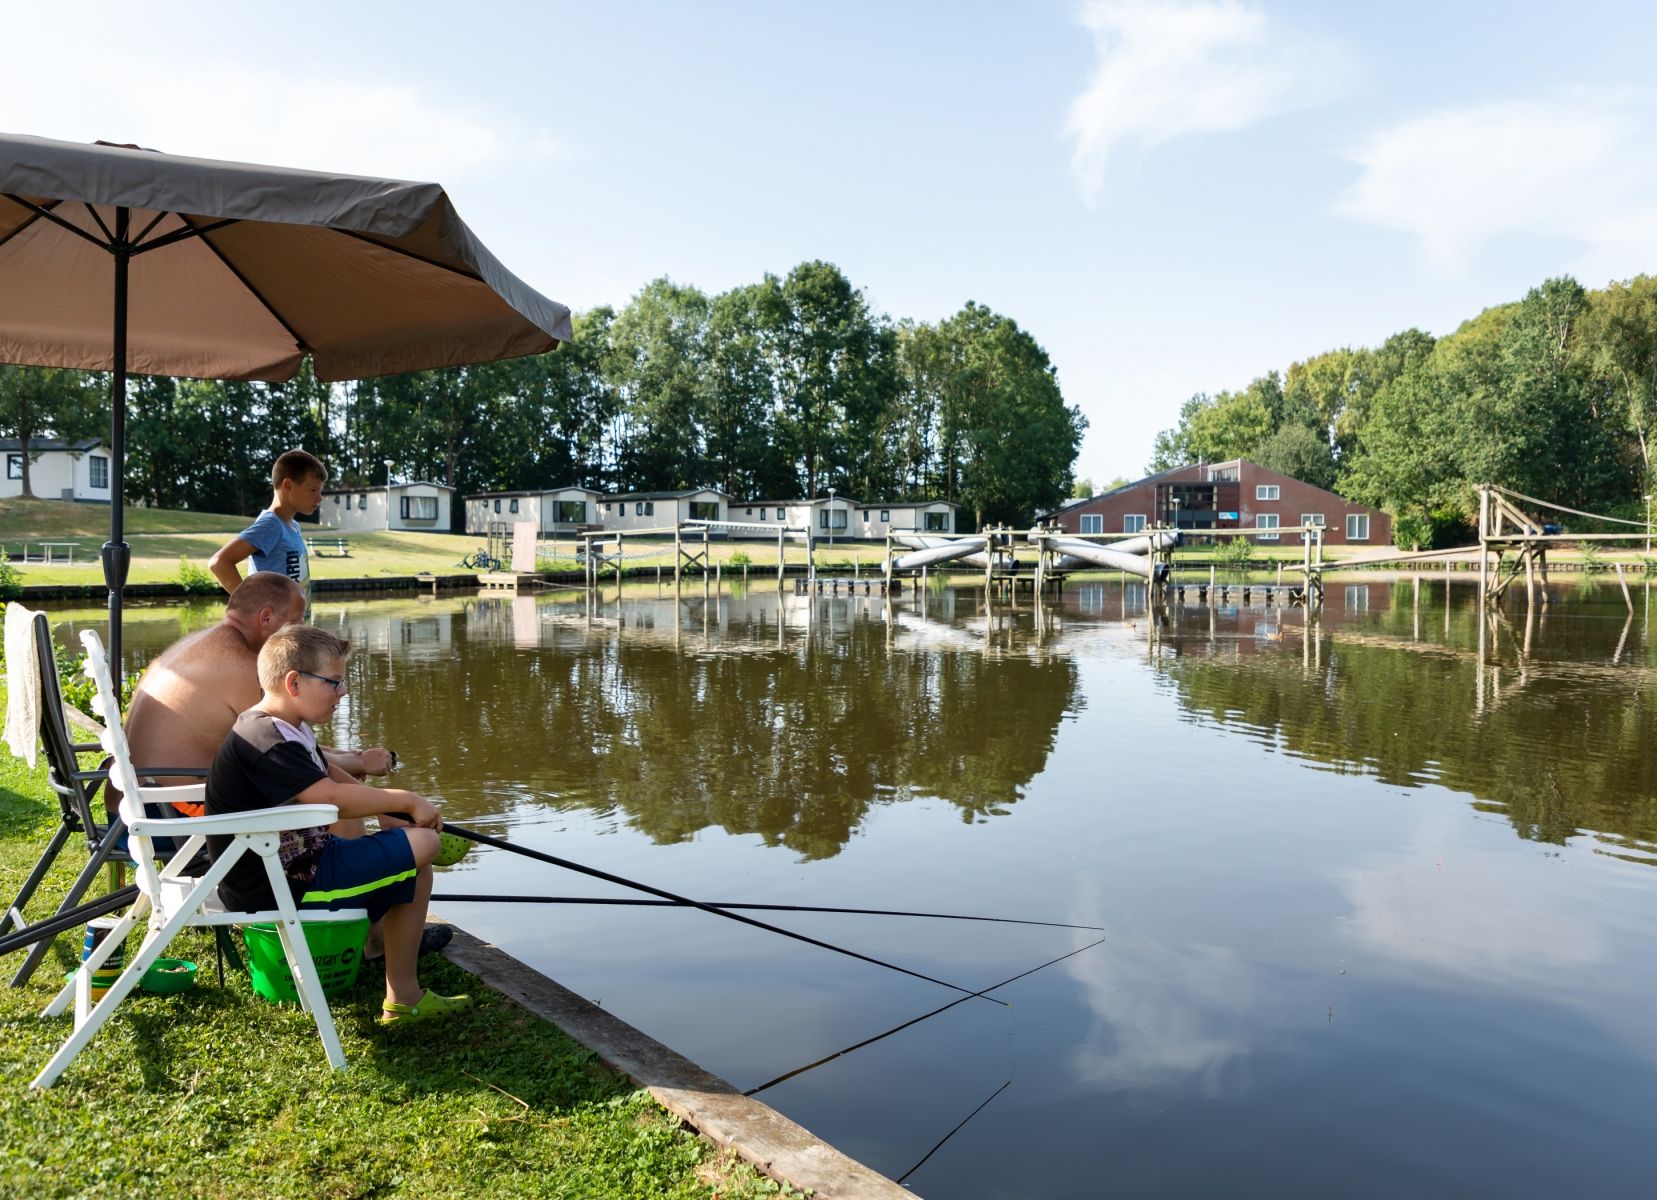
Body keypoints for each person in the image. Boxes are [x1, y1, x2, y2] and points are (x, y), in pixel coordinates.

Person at [205, 624, 469, 1025]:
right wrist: (405, 800)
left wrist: (384, 813)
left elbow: (325, 772)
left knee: (416, 863)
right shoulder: (266, 739)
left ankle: (402, 996)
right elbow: (328, 797)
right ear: (294, 683)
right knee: (424, 846)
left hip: (296, 866)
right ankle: (399, 990)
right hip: (277, 885)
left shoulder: (285, 726)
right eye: (334, 682)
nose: (343, 692)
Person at [207, 448, 326, 593]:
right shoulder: (271, 525)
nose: (319, 498)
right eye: (313, 490)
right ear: (288, 485)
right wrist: (249, 603)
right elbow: (219, 562)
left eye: (320, 491)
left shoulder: (293, 526)